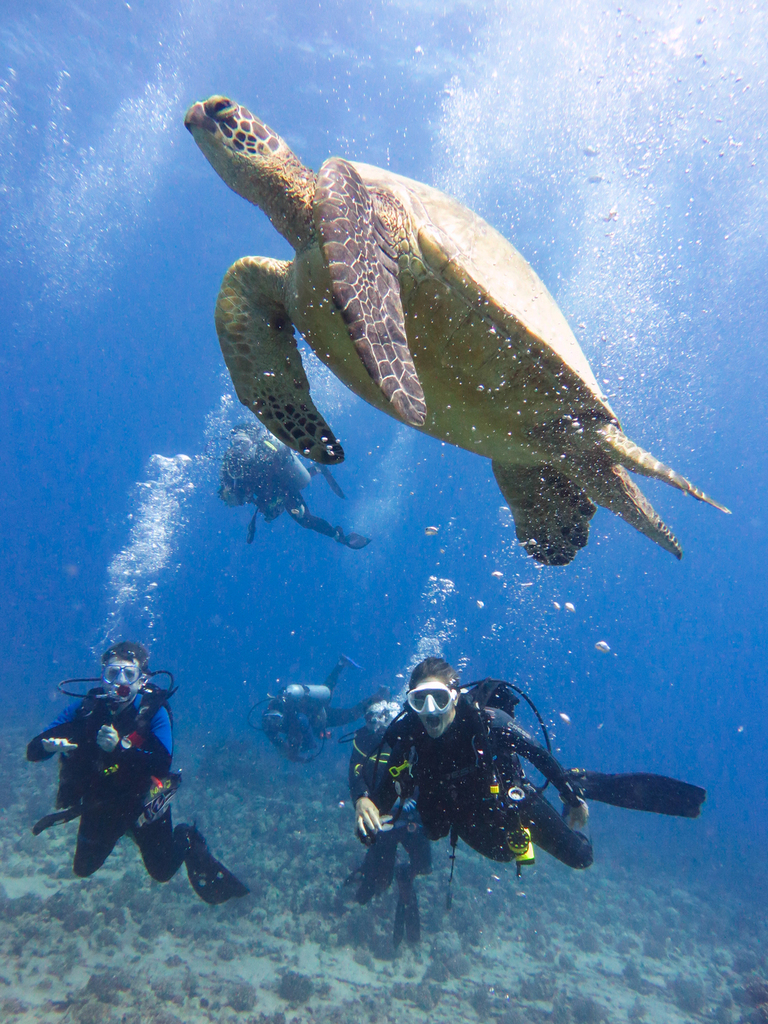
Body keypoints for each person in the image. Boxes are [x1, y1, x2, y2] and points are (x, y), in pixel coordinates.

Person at [355, 658, 706, 883]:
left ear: (455, 696)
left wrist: (569, 793)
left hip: (510, 798)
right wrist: (365, 803)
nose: (430, 713)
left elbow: (538, 755)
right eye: (420, 701)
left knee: (582, 859)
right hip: (462, 813)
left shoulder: (489, 724)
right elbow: (384, 794)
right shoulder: (411, 737)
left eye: (439, 700)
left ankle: (582, 779)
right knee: (498, 852)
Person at [27, 642, 249, 905]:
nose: (119, 682)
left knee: (162, 872)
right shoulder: (85, 709)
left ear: (142, 680)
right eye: (112, 674)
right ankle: (128, 829)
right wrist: (46, 745)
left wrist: (120, 749)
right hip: (101, 801)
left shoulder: (154, 710)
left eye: (129, 675)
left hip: (144, 801)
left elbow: (162, 764)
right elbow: (33, 750)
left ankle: (187, 838)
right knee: (83, 867)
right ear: (102, 675)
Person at [346, 699, 432, 946]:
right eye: (370, 719)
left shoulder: (411, 736)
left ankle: (406, 877)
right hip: (381, 816)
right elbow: (355, 773)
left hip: (411, 816)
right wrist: (362, 799)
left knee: (424, 864)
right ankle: (373, 877)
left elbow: (426, 773)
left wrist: (412, 801)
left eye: (380, 718)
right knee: (379, 880)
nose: (375, 724)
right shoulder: (363, 739)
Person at [219, 421, 371, 549]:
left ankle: (338, 536)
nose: (231, 505)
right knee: (298, 492)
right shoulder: (236, 476)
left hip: (283, 483)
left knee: (306, 520)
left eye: (228, 501)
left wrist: (279, 502)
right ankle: (318, 469)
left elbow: (274, 482)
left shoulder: (242, 474)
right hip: (281, 478)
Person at [260, 655, 388, 763]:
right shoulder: (273, 724)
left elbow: (305, 733)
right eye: (271, 720)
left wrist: (306, 747)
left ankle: (380, 695)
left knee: (352, 714)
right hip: (313, 706)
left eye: (275, 718)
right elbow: (284, 746)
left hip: (321, 715)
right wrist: (299, 755)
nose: (274, 723)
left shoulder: (293, 720)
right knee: (328, 689)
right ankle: (341, 664)